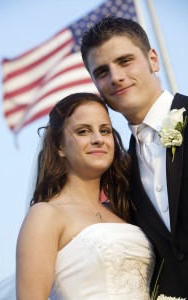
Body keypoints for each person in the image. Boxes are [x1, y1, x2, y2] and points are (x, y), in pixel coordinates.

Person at [80, 15, 188, 298]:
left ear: (153, 59)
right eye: (102, 72)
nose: (115, 77)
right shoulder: (120, 174)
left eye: (125, 61)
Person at [16, 92, 155, 300]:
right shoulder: (46, 214)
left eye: (105, 130)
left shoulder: (124, 212)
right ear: (59, 146)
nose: (98, 139)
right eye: (83, 131)